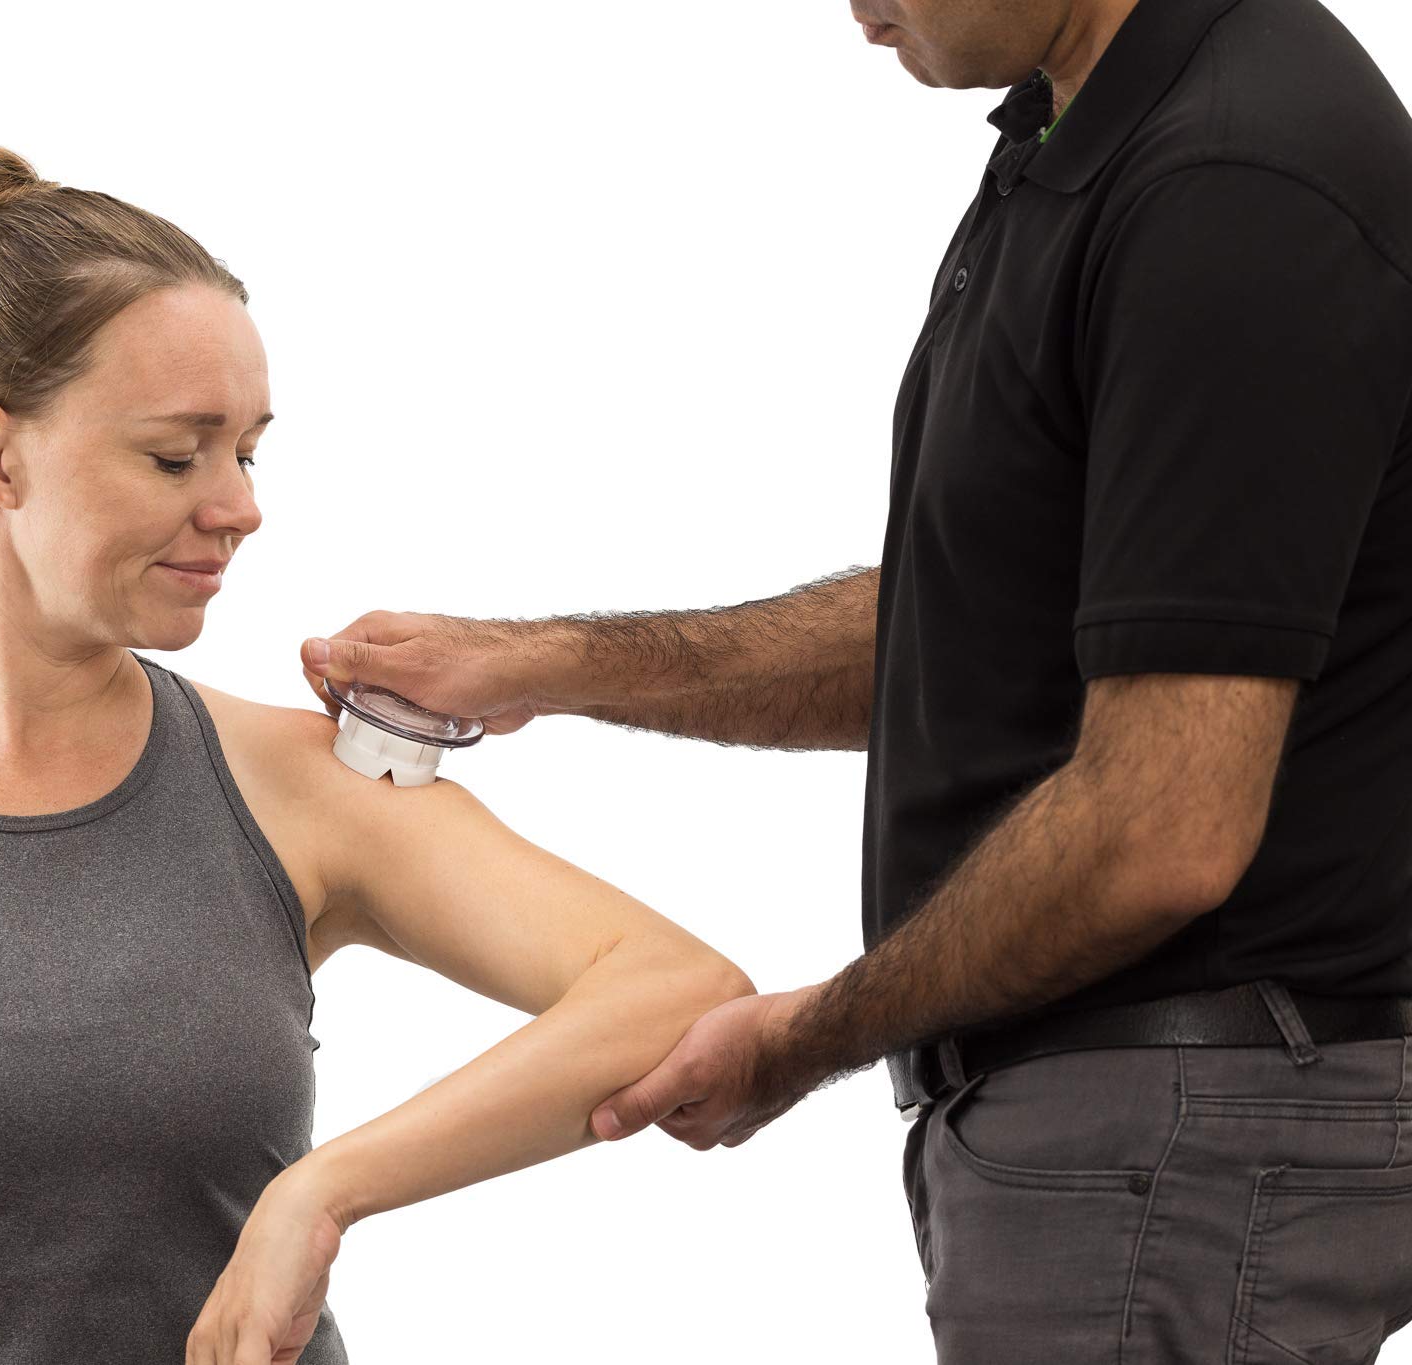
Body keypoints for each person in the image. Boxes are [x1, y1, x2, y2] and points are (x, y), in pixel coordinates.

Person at [300, 0, 1412, 1359]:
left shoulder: (1230, 182)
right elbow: (981, 618)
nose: (854, 6)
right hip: (1134, 1136)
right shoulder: (1088, 133)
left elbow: (1159, 831)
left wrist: (805, 1039)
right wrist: (551, 663)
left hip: (1173, 1136)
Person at [0, 146, 755, 1365]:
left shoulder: (293, 787)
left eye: (247, 450)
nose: (239, 505)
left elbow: (678, 988)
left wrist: (321, 1194)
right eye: (175, 455)